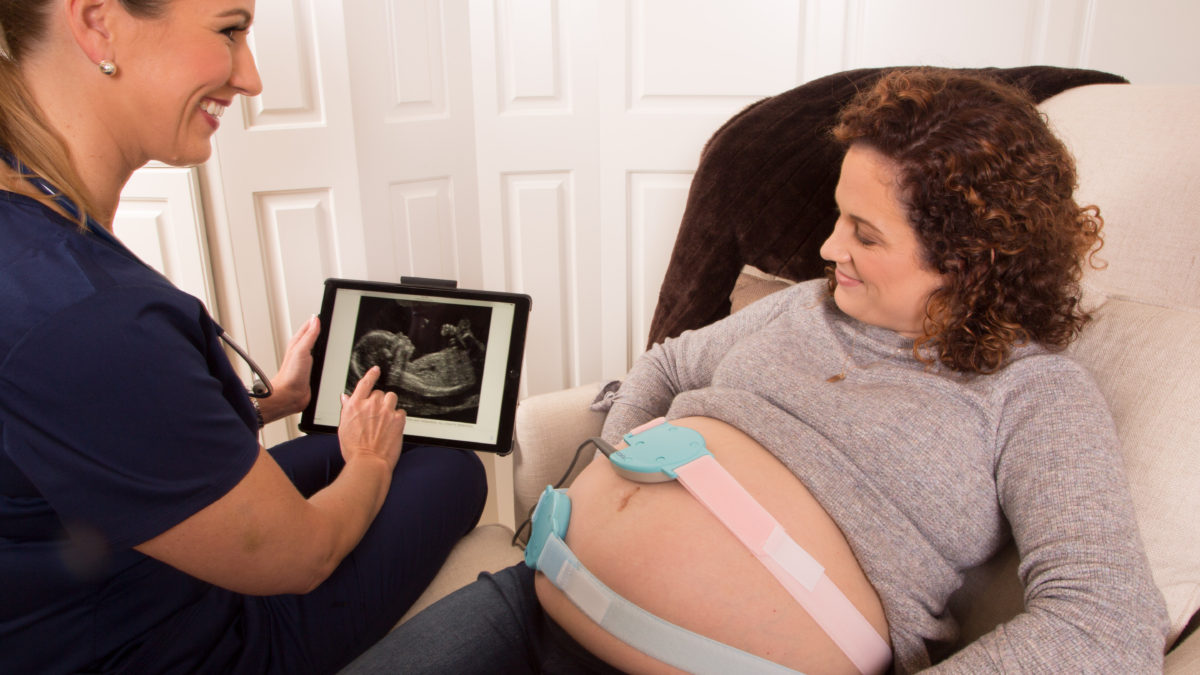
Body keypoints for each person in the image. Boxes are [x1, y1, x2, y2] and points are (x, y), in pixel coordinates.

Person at [342, 68, 1169, 674]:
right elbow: (668, 361)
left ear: (968, 259)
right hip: (532, 597)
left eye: (864, 233)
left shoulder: (1035, 394)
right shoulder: (808, 306)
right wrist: (616, 492)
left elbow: (1107, 620)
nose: (827, 247)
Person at [0, 1, 486, 673]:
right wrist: (370, 463)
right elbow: (307, 555)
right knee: (451, 466)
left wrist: (271, 404)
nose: (251, 77)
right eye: (229, 30)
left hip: (91, 568)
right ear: (95, 21)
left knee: (333, 444)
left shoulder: (29, 230)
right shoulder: (84, 314)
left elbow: (84, 437)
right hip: (172, 641)